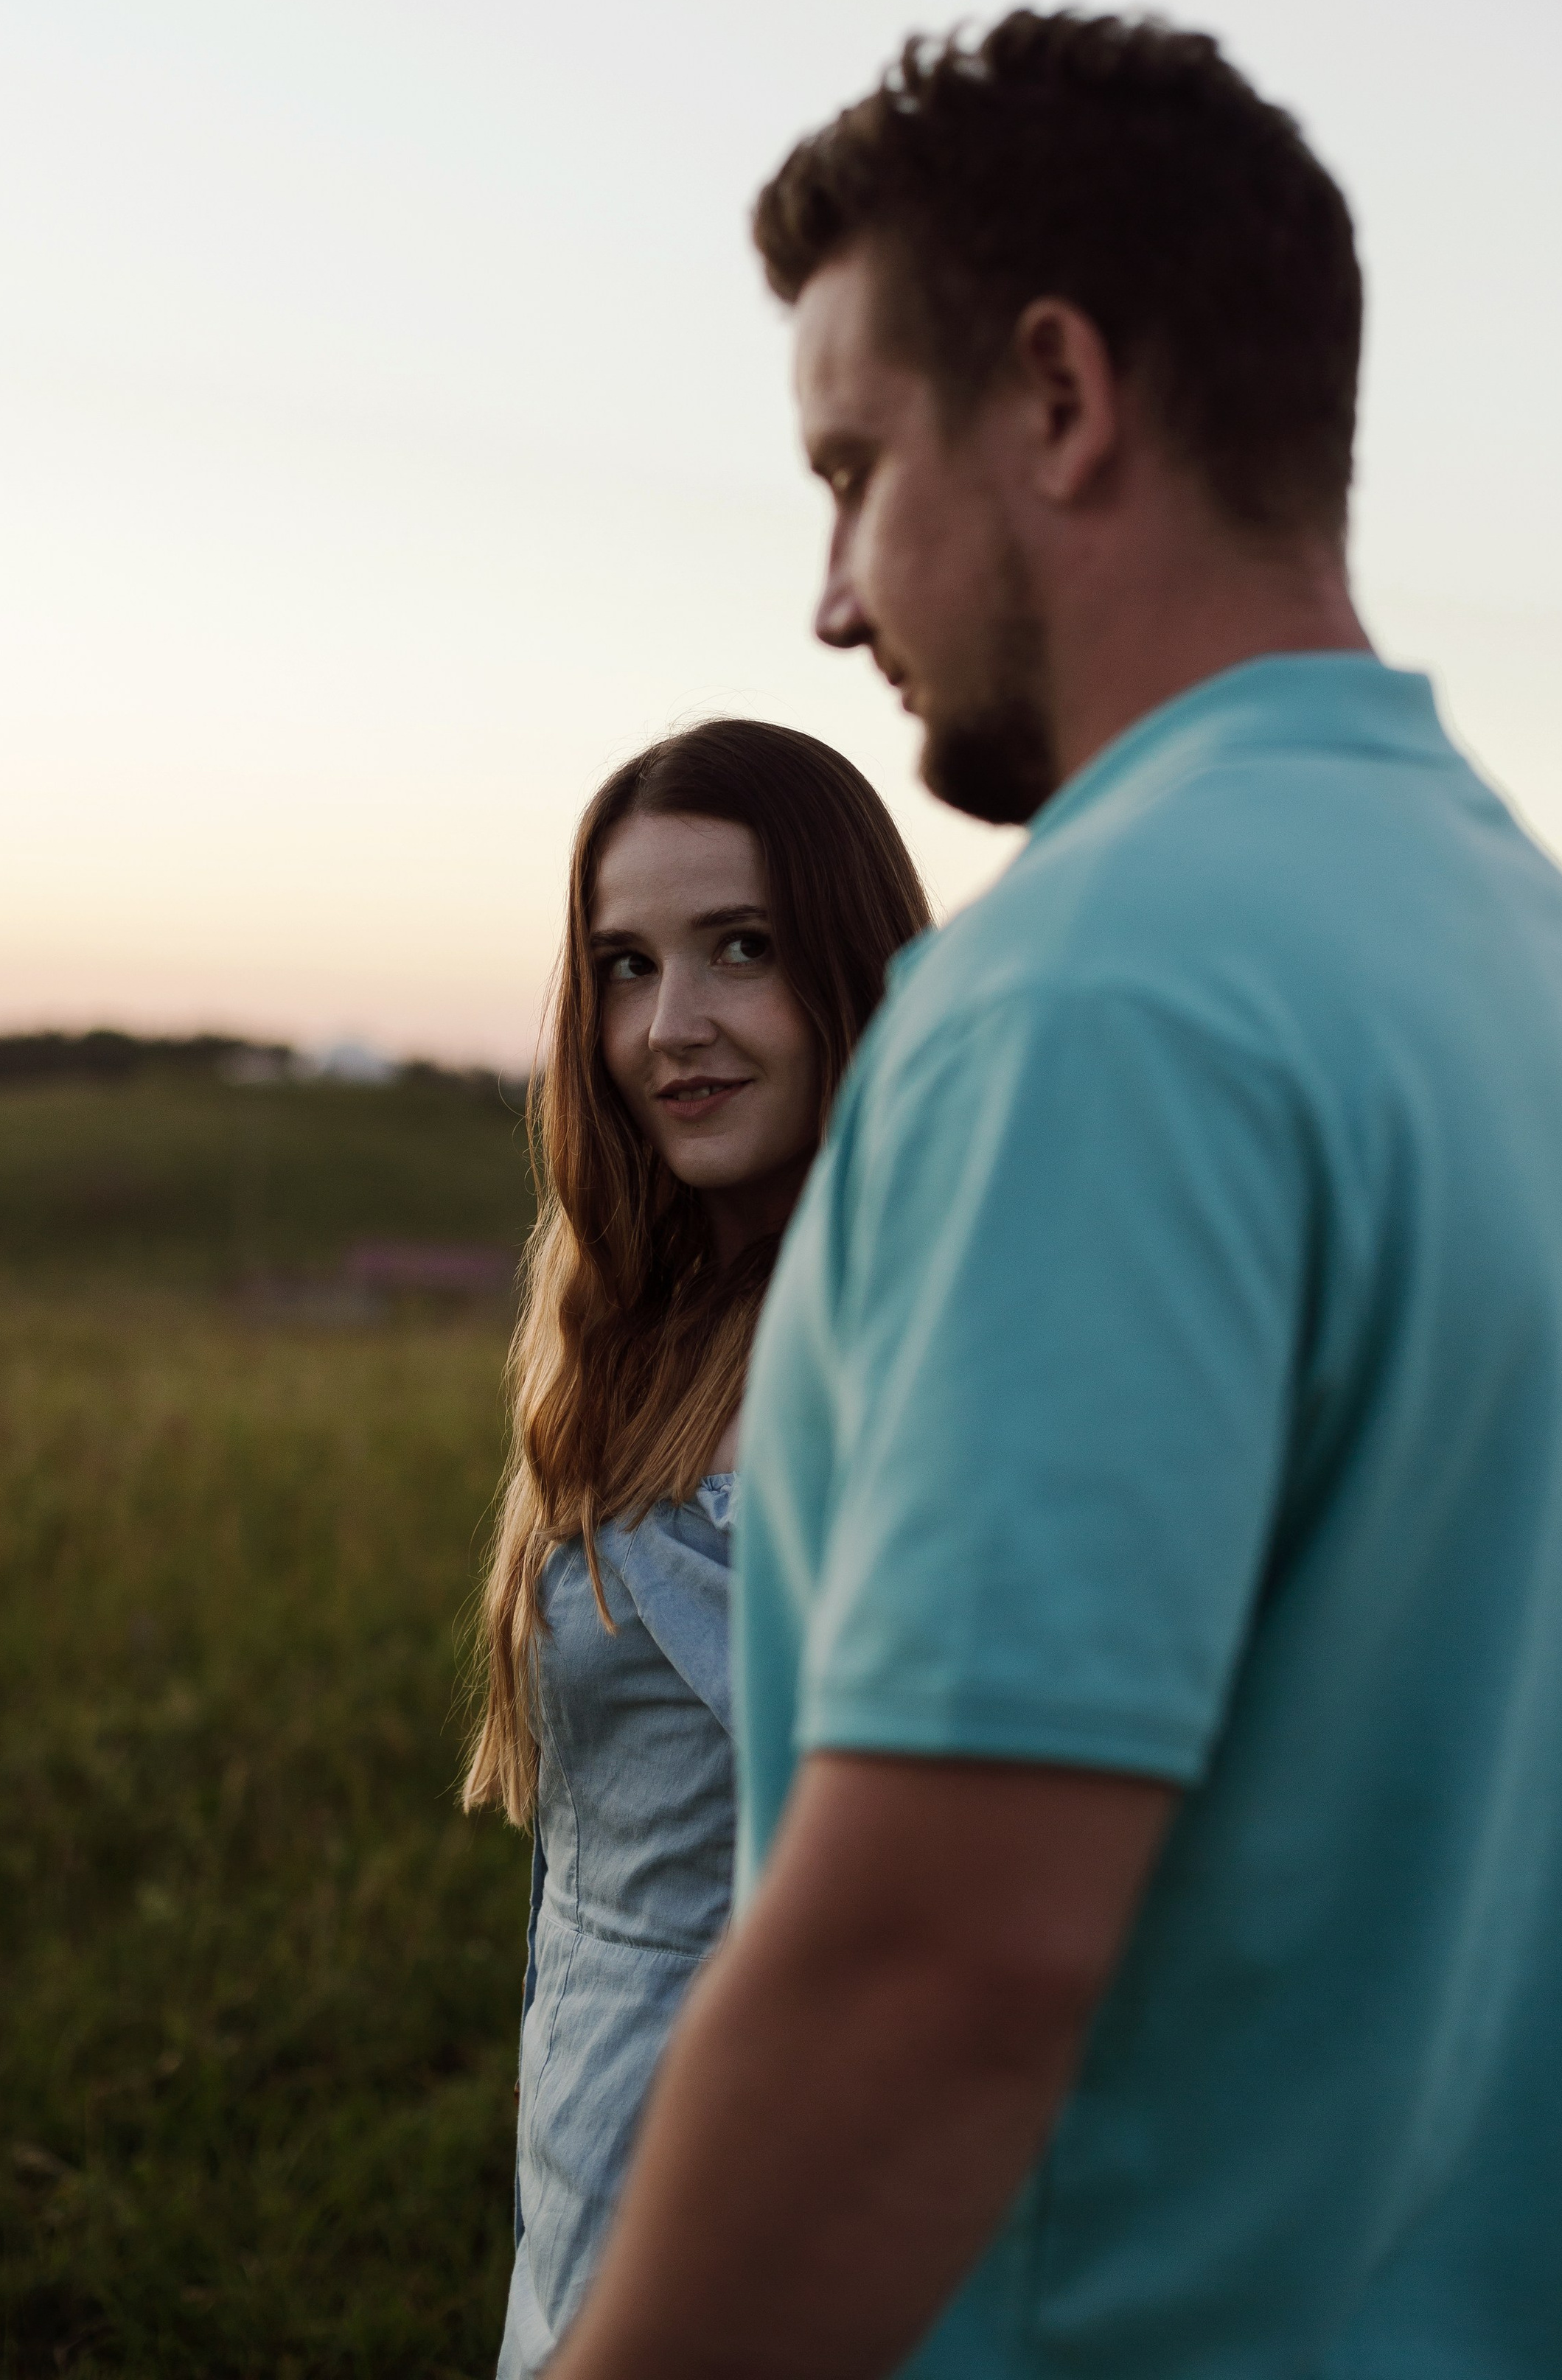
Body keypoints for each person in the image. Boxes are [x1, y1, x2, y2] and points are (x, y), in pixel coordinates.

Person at [547, 13, 1562, 2379]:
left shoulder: (1091, 1001)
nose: (833, 596)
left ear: (1057, 398)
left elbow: (942, 1961)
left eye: (851, 470)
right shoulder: (1545, 957)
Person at [461, 716, 929, 2376]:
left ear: (852, 965)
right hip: (589, 2131)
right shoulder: (644, 1322)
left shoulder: (891, 1343)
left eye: (741, 948)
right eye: (622, 963)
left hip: (754, 2205)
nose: (672, 1027)